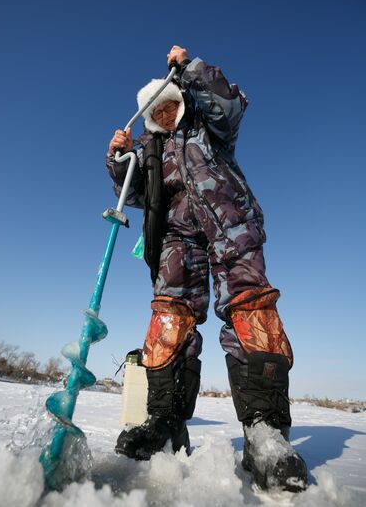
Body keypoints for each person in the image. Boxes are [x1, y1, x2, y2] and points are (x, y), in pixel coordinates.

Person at [106, 45, 307, 491]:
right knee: (169, 320)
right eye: (159, 107)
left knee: (250, 309)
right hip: (176, 242)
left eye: (173, 100)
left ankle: (264, 432)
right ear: (150, 112)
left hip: (231, 226)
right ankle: (165, 423)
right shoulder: (150, 150)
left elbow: (231, 104)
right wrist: (120, 161)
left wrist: (190, 69)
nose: (168, 110)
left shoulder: (208, 127)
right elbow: (134, 194)